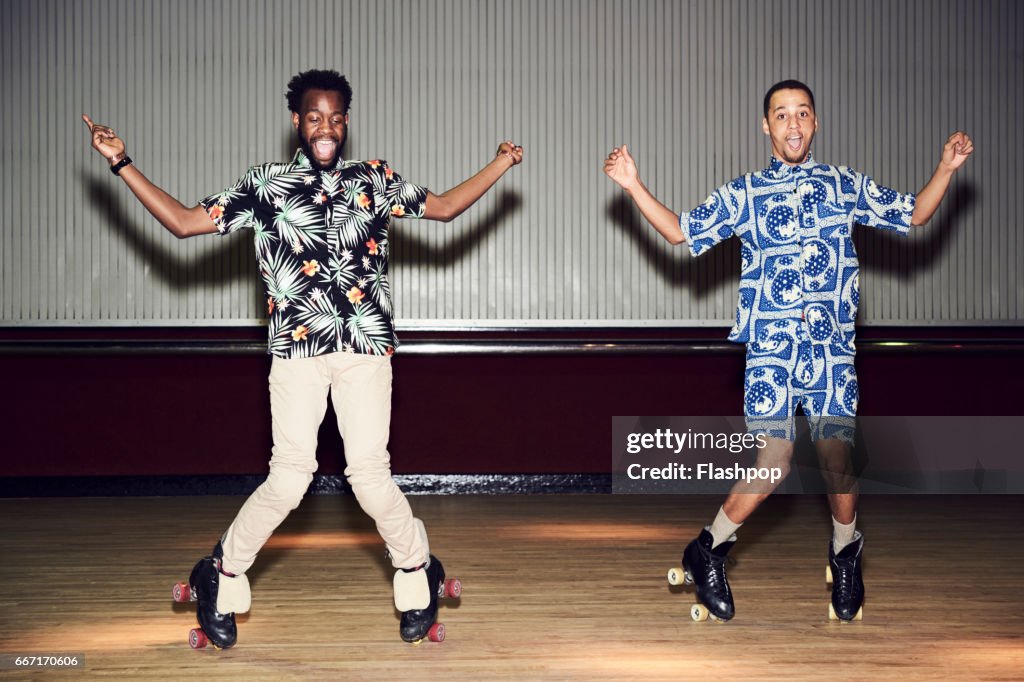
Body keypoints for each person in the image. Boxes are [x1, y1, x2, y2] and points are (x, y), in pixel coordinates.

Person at [84, 68, 523, 647]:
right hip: (296, 352)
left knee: (369, 478)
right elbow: (185, 224)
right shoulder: (265, 186)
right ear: (297, 121)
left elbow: (442, 208)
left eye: (336, 117)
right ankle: (221, 574)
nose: (326, 127)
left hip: (366, 347)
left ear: (346, 122)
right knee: (290, 477)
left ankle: (417, 568)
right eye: (315, 117)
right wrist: (121, 163)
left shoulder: (375, 179)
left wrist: (501, 162)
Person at [604, 79, 972, 622]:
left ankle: (846, 553)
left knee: (836, 459)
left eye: (803, 113)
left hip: (830, 347)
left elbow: (915, 214)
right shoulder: (747, 194)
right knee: (774, 462)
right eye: (781, 115)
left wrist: (944, 168)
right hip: (772, 346)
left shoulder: (843, 185)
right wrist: (634, 185)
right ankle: (708, 549)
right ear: (766, 126)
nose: (793, 124)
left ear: (816, 123)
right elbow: (681, 232)